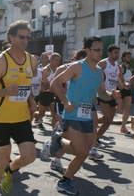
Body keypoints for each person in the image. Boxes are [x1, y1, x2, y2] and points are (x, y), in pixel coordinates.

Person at [41, 36, 120, 195]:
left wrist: (112, 95)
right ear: (88, 50)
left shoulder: (99, 71)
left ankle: (59, 140)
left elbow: (102, 93)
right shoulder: (78, 67)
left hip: (87, 116)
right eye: (96, 49)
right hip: (72, 114)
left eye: (101, 49)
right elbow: (56, 82)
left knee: (87, 150)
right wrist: (65, 101)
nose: (100, 52)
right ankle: (64, 181)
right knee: (82, 152)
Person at [0, 20, 37, 196]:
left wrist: (30, 99)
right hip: (1, 118)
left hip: (21, 117)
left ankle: (10, 171)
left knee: (30, 156)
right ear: (11, 37)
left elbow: (24, 85)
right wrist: (6, 91)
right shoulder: (1, 61)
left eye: (27, 37)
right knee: (3, 158)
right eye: (21, 37)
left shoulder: (31, 60)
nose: (25, 40)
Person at [96, 45, 124, 144]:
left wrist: (124, 85)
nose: (117, 55)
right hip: (102, 94)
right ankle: (91, 122)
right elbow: (94, 76)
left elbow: (120, 81)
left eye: (118, 53)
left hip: (112, 95)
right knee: (108, 117)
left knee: (109, 119)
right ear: (109, 53)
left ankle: (95, 138)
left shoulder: (118, 67)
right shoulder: (103, 64)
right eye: (115, 52)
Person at [118, 50, 133, 134]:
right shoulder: (121, 67)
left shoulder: (130, 68)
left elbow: (130, 79)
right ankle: (104, 119)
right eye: (128, 57)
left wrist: (130, 83)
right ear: (123, 58)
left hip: (127, 90)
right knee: (118, 110)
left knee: (128, 107)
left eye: (130, 57)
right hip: (120, 89)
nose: (129, 59)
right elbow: (117, 77)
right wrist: (120, 84)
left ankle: (123, 126)